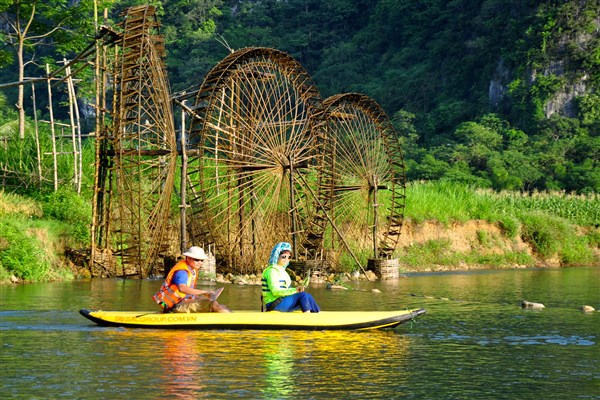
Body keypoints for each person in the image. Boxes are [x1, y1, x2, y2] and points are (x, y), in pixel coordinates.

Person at [153, 246, 231, 313]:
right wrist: (204, 292)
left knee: (217, 304)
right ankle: (232, 320)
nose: (200, 262)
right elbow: (182, 288)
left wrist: (204, 295)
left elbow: (188, 293)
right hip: (175, 306)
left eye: (201, 260)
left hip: (180, 303)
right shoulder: (182, 272)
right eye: (197, 260)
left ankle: (228, 315)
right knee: (212, 304)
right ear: (188, 258)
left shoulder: (192, 270)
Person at [261, 242, 320, 313]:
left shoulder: (283, 271)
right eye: (283, 256)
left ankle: (317, 313)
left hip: (281, 301)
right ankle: (307, 318)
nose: (286, 259)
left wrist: (297, 289)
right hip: (273, 304)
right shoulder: (272, 272)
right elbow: (275, 291)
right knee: (303, 296)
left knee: (308, 296)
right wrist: (295, 290)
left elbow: (286, 289)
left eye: (289, 257)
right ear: (276, 256)